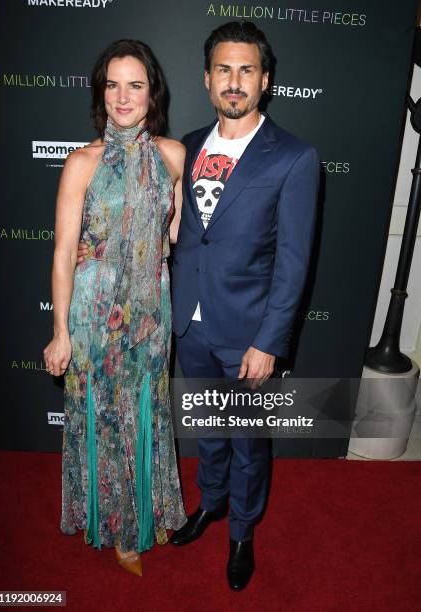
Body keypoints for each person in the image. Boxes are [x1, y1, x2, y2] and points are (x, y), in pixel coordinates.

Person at [169, 21, 320, 591]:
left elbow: (294, 262)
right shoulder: (183, 147)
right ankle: (211, 505)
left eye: (247, 70)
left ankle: (243, 533)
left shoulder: (295, 158)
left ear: (265, 80)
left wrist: (269, 342)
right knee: (209, 425)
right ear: (208, 80)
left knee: (248, 442)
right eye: (224, 70)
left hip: (248, 333)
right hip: (192, 325)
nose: (235, 82)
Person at [43, 39, 186, 577]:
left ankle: (149, 508)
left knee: (147, 417)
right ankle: (122, 528)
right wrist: (61, 330)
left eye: (135, 85)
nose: (123, 97)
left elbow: (171, 235)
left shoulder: (173, 157)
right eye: (112, 85)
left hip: (150, 317)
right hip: (94, 315)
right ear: (100, 94)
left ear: (153, 93)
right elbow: (62, 252)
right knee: (104, 421)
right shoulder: (81, 163)